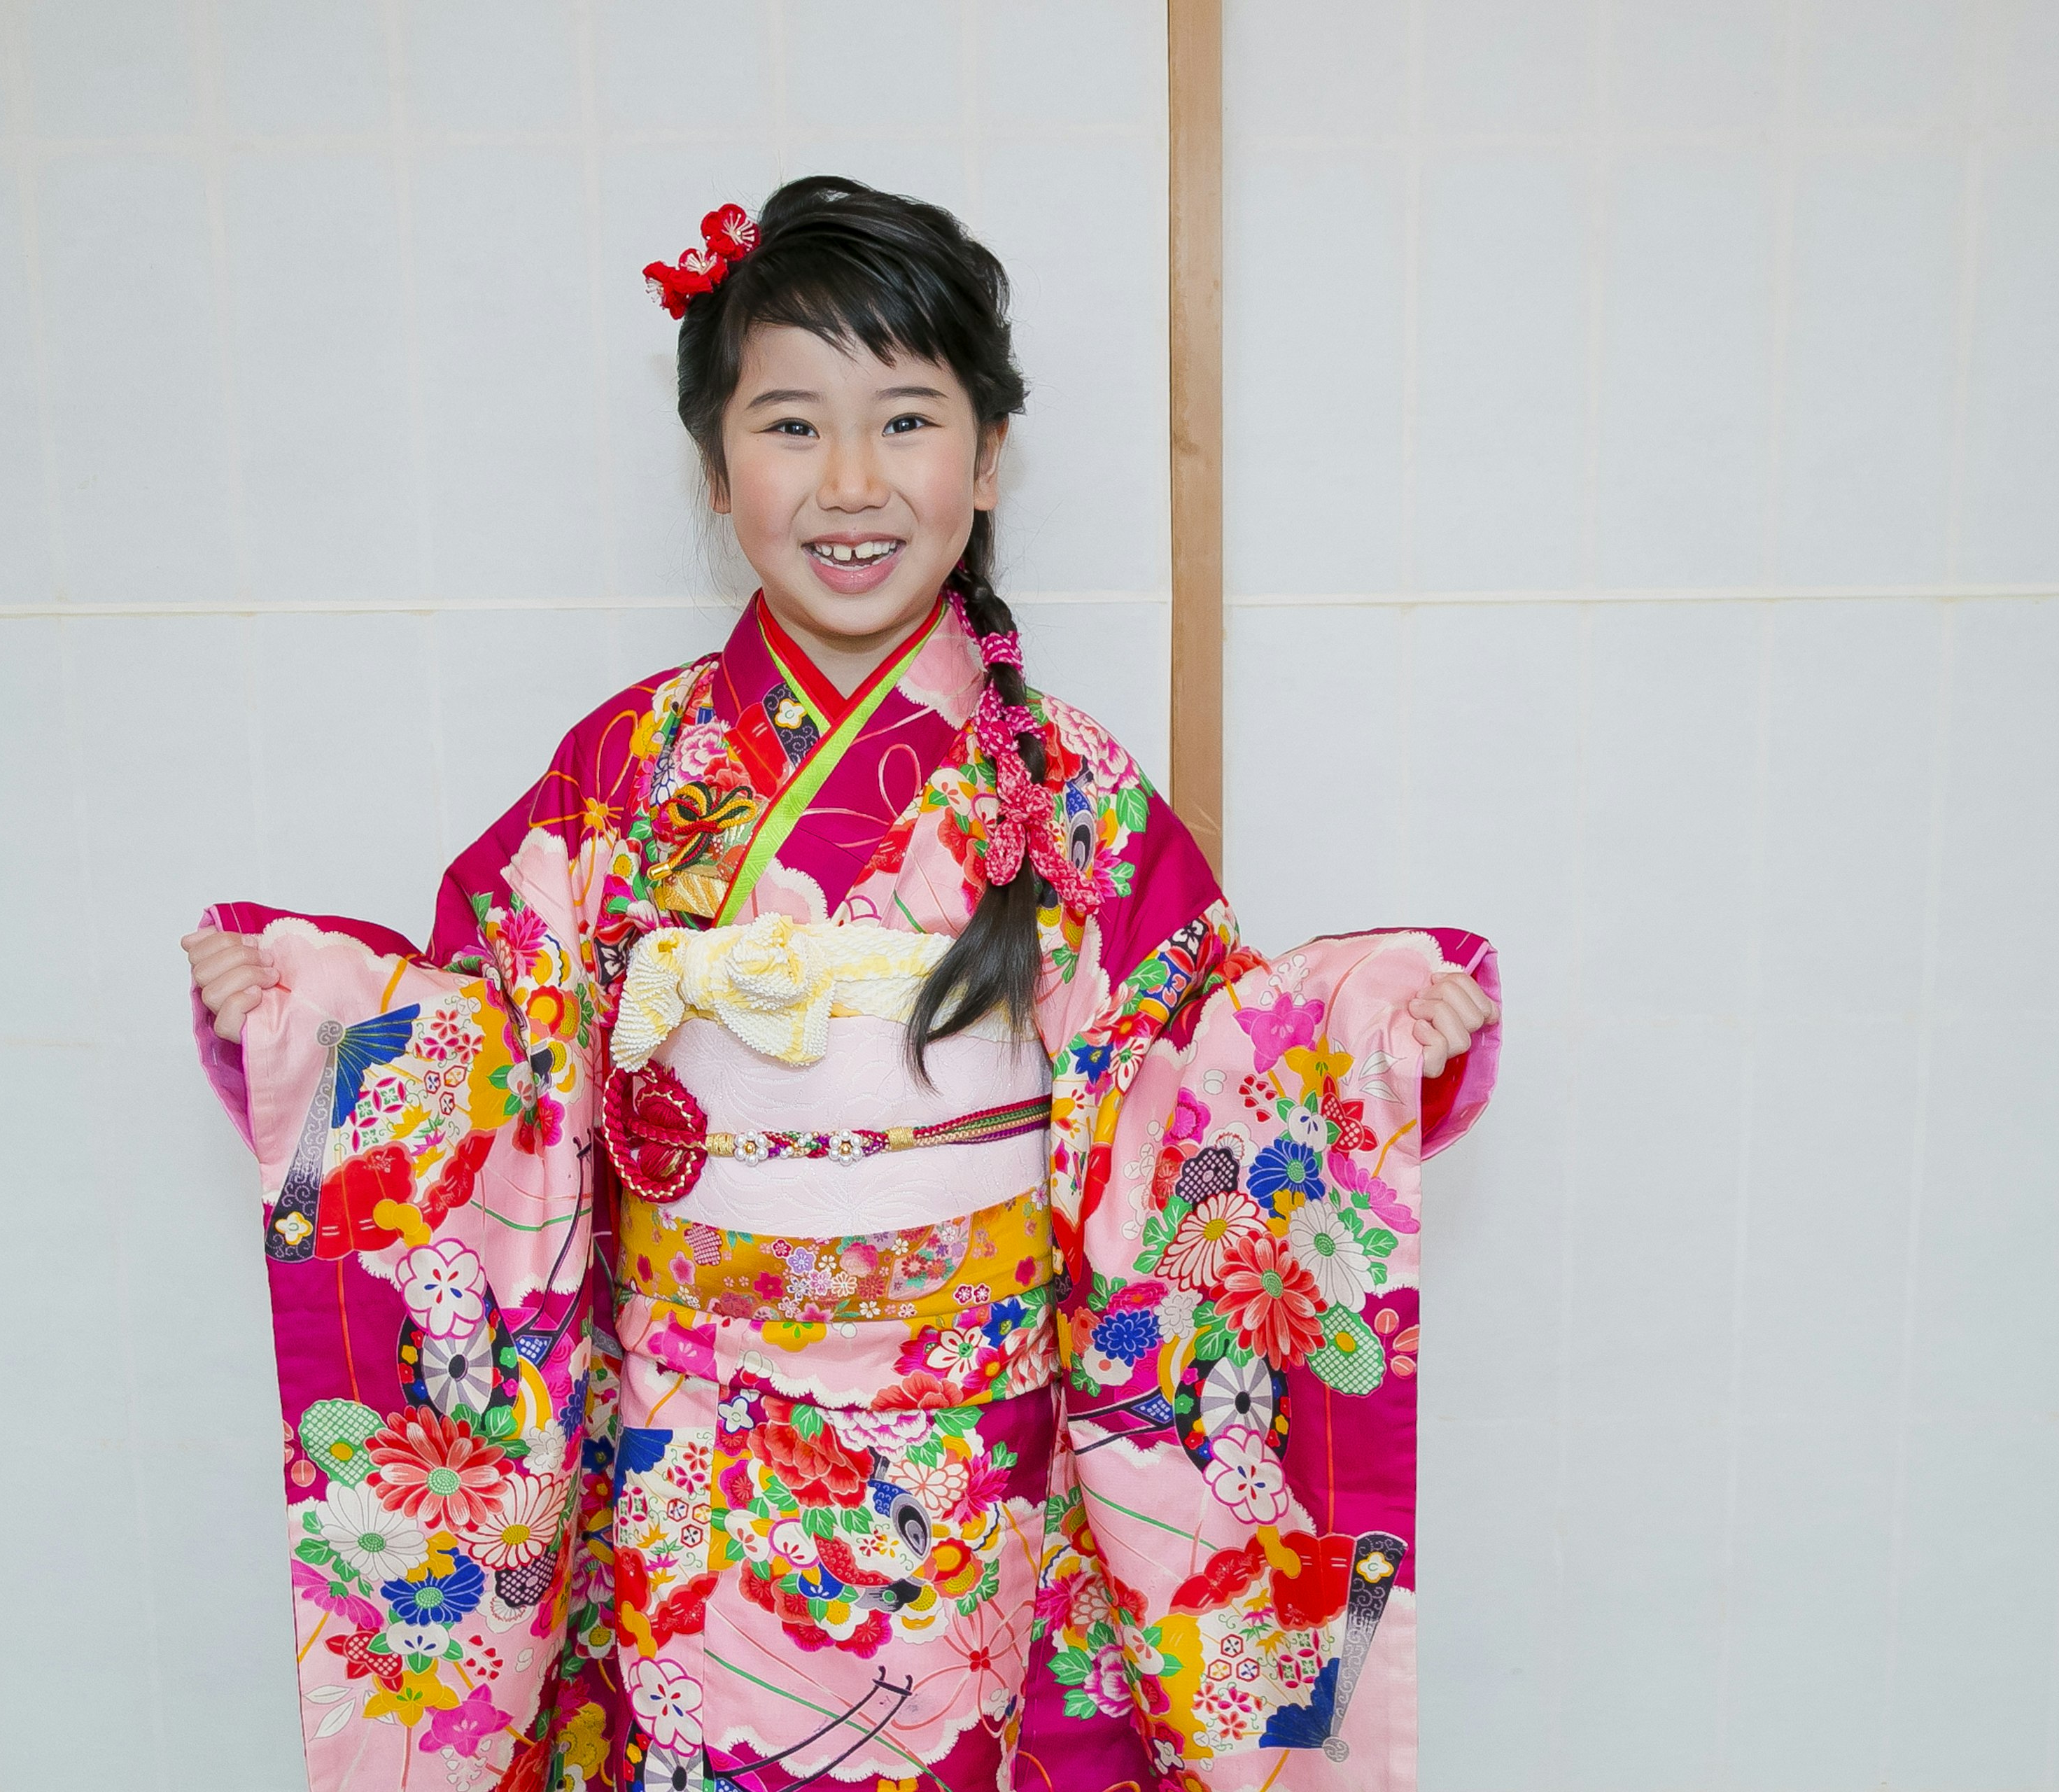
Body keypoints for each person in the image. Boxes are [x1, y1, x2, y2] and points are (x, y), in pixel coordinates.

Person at [183, 176, 1498, 1792]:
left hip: (979, 1458)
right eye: (792, 425)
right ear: (715, 464)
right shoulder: (633, 769)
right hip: (700, 1454)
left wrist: (1365, 1027)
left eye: (907, 419)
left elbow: (1193, 1065)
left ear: (989, 455)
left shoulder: (1063, 786)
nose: (853, 481)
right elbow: (489, 1049)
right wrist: (313, 1012)